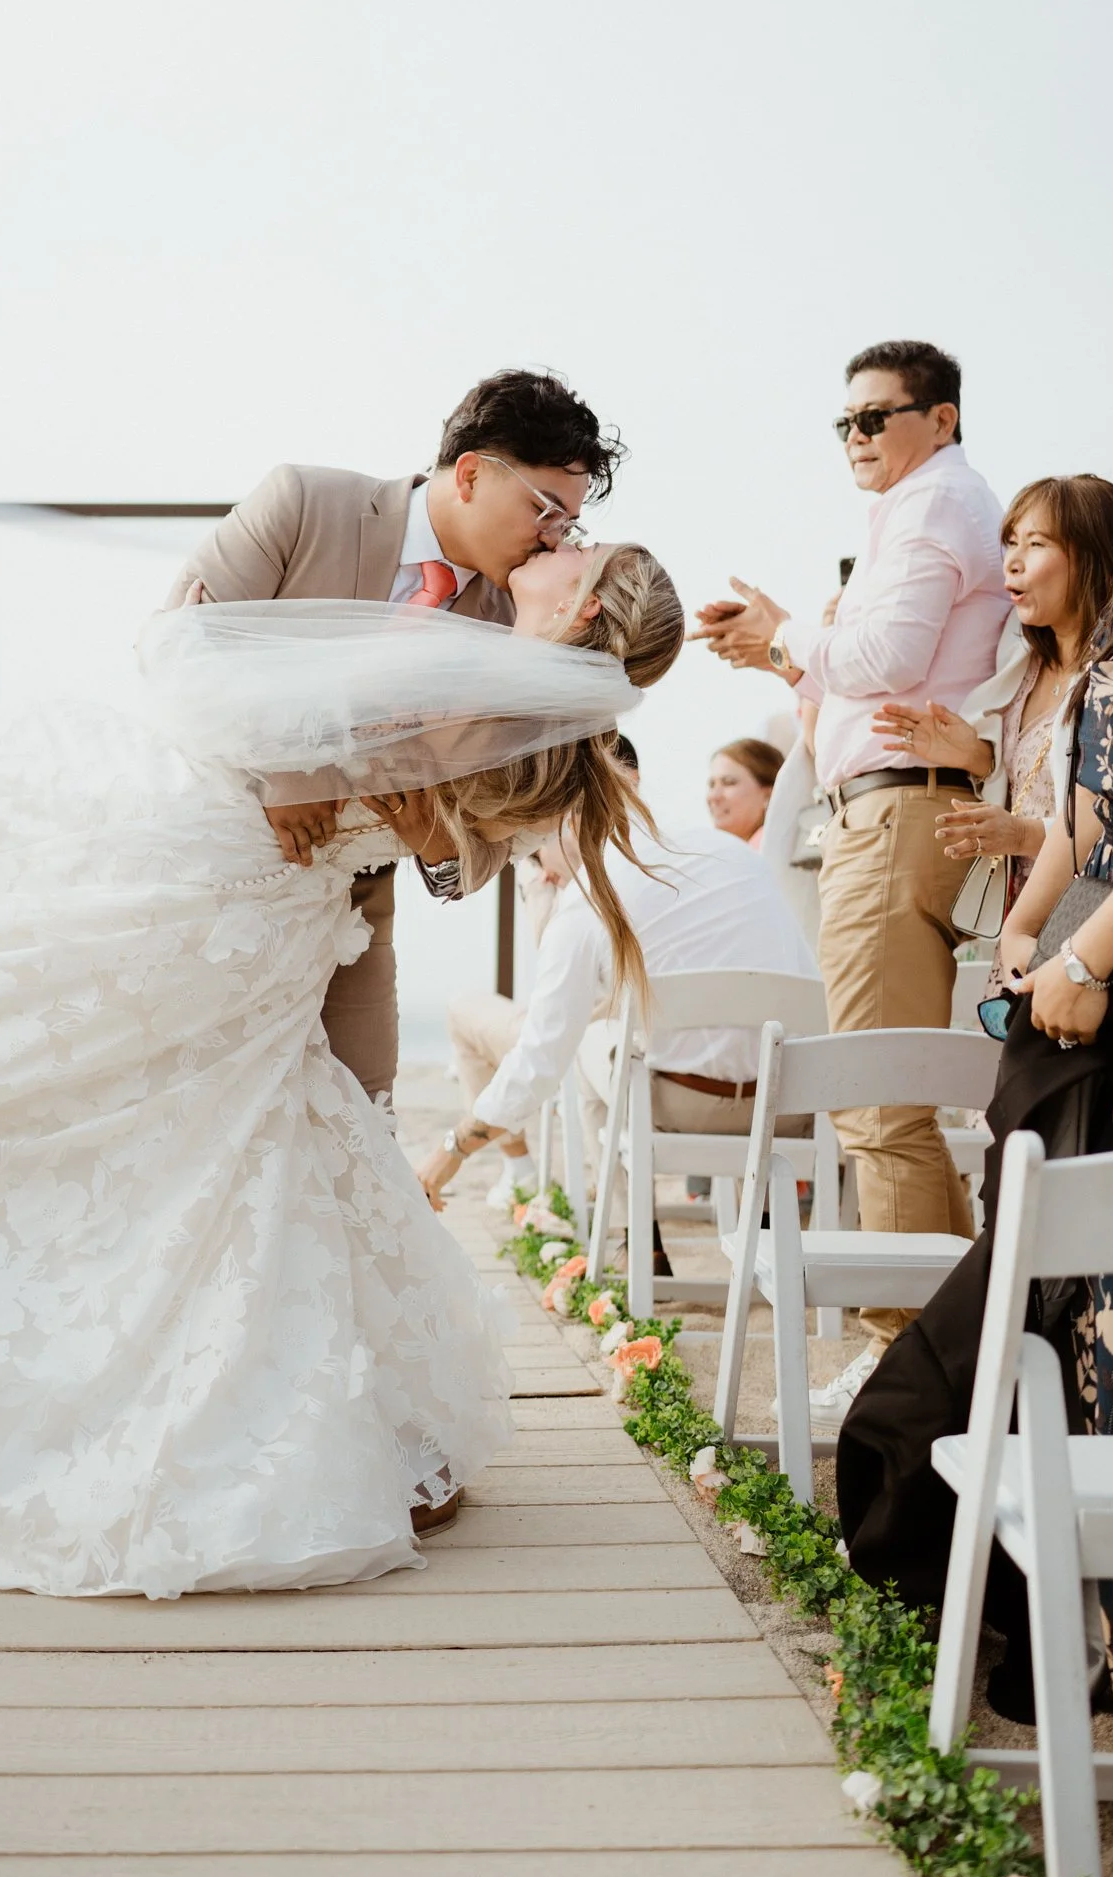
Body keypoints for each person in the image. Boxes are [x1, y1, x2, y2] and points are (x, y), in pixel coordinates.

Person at [0, 540, 684, 1599]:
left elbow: (302, 733)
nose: (555, 543)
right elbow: (430, 832)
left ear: (587, 598)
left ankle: (215, 1406)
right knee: (221, 1129)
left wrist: (222, 664)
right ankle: (348, 1424)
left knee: (139, 1105)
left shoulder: (473, 675)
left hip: (236, 877)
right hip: (282, 912)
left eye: (579, 546)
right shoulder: (551, 739)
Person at [694, 340, 1008, 1425]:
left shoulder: (929, 512)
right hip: (904, 803)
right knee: (894, 1098)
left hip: (894, 815)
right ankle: (959, 1353)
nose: (857, 439)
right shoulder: (930, 511)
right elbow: (872, 660)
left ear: (942, 417)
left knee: (878, 1102)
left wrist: (794, 632)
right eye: (845, 423)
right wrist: (789, 650)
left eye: (877, 417)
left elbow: (879, 656)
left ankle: (906, 1367)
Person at [169, 369, 623, 1117]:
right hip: (202, 885)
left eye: (566, 523)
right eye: (544, 508)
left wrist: (438, 850)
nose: (552, 535)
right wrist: (288, 771)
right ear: (472, 473)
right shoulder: (301, 503)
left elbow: (481, 844)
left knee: (361, 1125)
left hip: (351, 914)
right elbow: (177, 653)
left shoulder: (523, 618)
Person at [838, 556, 1113, 1719]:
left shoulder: (1106, 674)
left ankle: (1088, 1635)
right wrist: (1025, 929)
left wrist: (1078, 957)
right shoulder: (1093, 672)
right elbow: (1082, 820)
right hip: (1072, 998)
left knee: (1060, 1286)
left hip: (1090, 1006)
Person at [417, 736, 818, 1238]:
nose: (542, 865)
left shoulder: (587, 901)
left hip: (685, 1108)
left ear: (564, 822)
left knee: (588, 1041)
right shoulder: (728, 852)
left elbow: (540, 1059)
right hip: (791, 1102)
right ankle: (744, 1229)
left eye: (534, 848)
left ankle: (637, 1237)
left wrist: (450, 1150)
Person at [870, 474, 1113, 954]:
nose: (1013, 559)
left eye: (1036, 542)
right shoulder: (1019, 666)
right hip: (1018, 923)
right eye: (1009, 541)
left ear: (1092, 555)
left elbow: (1112, 813)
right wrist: (979, 758)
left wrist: (1022, 834)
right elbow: (1037, 782)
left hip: (1093, 925)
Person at [705, 737, 783, 847]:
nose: (713, 796)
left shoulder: (771, 850)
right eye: (712, 785)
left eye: (729, 782)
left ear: (768, 796)